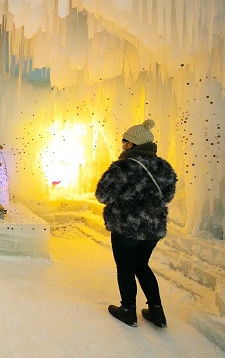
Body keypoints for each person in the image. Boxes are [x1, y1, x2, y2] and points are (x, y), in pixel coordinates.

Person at [95, 119, 177, 328]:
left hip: (126, 227)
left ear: (131, 144)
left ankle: (128, 310)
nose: (122, 145)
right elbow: (167, 195)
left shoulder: (122, 167)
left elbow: (102, 195)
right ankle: (157, 313)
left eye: (124, 141)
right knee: (142, 266)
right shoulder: (164, 167)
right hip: (152, 227)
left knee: (125, 268)